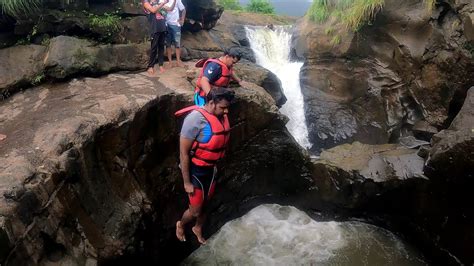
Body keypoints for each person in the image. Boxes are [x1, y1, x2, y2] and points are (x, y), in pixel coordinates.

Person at [174, 87, 235, 244]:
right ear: (211, 103)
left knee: (207, 203)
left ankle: (198, 228)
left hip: (211, 169)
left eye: (227, 107)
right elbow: (184, 153)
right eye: (222, 107)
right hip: (196, 171)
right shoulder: (194, 119)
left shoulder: (221, 115)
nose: (226, 111)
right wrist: (187, 182)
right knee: (195, 210)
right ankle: (181, 224)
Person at [143, 0, 176, 75]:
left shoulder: (159, 3)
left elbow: (170, 9)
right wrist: (163, 3)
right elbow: (153, 10)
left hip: (162, 28)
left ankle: (161, 65)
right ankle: (150, 66)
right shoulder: (146, 3)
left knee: (161, 47)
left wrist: (174, 1)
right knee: (154, 48)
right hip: (154, 29)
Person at [164, 0, 186, 67]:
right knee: (168, 44)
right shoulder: (162, 0)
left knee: (177, 44)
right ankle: (170, 62)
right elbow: (170, 9)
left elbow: (183, 9)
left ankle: (178, 61)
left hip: (176, 25)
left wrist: (182, 19)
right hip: (167, 24)